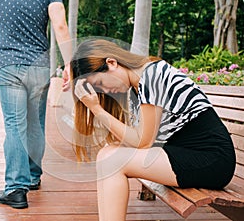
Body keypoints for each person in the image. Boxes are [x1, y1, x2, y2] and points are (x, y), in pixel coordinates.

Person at [70, 39, 236, 221]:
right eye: (99, 90)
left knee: (113, 160)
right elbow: (137, 139)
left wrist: (96, 109)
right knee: (106, 153)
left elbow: (143, 142)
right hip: (184, 153)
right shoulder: (137, 86)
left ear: (111, 62)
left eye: (101, 83)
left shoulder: (151, 75)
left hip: (211, 159)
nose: (106, 91)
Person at [0, 0, 71, 209]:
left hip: (9, 65)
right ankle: (32, 177)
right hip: (39, 67)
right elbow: (59, 25)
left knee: (15, 125)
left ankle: (15, 188)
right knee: (35, 124)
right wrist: (69, 64)